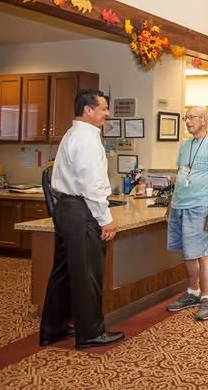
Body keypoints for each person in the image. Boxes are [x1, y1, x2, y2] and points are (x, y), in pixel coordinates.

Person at [39, 89, 125, 349]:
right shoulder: (87, 139)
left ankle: (52, 329)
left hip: (65, 208)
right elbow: (92, 184)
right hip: (81, 209)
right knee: (88, 273)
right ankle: (90, 333)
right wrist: (105, 218)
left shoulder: (71, 133)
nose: (107, 113)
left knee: (63, 272)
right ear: (88, 110)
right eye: (103, 108)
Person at [165, 106, 208, 321]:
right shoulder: (185, 146)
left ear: (204, 120)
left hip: (200, 206)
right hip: (180, 205)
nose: (188, 121)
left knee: (203, 253)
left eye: (192, 117)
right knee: (188, 253)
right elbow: (180, 175)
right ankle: (192, 292)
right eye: (186, 118)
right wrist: (170, 206)